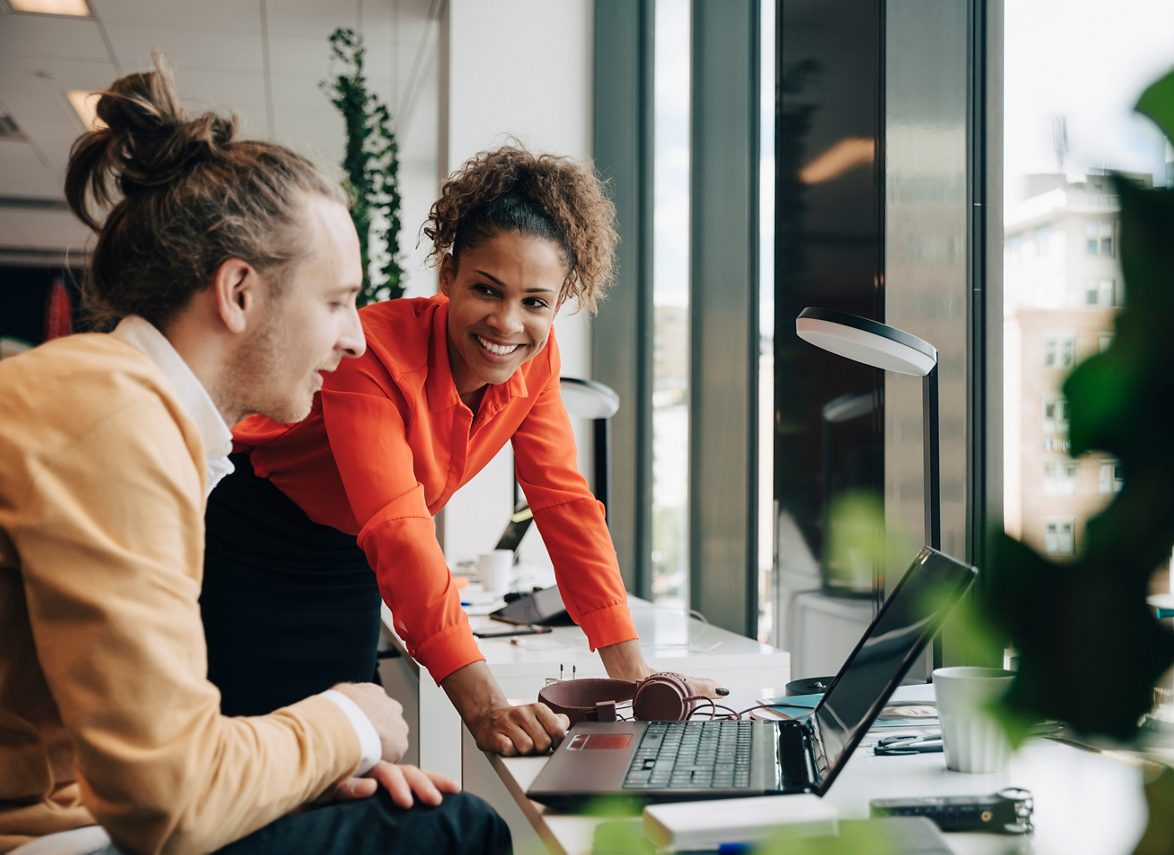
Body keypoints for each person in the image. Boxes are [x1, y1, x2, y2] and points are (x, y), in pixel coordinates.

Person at [0, 60, 509, 855]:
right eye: (338, 301)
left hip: (80, 811)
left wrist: (303, 769)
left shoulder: (130, 407)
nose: (353, 336)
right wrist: (348, 721)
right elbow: (169, 802)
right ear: (240, 293)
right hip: (44, 838)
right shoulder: (113, 420)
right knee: (458, 831)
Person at [201, 144, 721, 756]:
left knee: (344, 759)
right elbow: (397, 525)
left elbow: (563, 502)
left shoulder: (538, 360)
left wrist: (635, 676)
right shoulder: (369, 353)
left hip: (347, 556)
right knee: (252, 753)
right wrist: (485, 704)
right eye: (486, 289)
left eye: (535, 303)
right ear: (448, 276)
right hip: (253, 536)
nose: (507, 323)